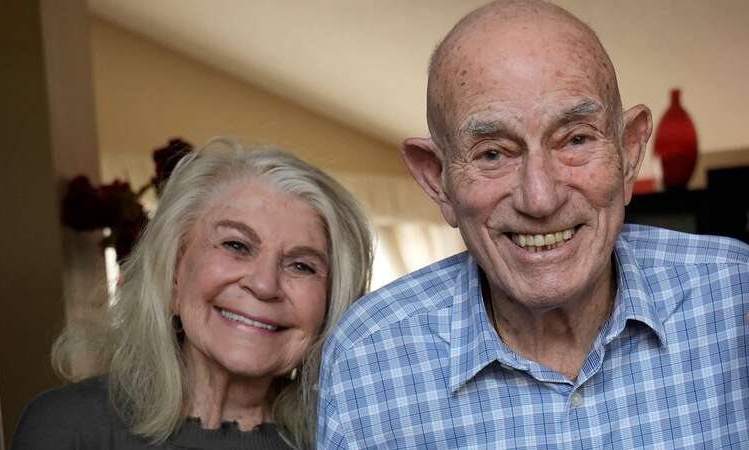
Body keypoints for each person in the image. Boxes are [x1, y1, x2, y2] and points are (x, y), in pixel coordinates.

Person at [318, 1, 749, 448]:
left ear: (628, 153)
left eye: (576, 139)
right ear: (437, 180)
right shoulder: (369, 360)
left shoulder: (735, 294)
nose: (540, 199)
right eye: (492, 153)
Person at [12, 138, 373, 450]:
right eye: (236, 245)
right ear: (172, 274)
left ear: (330, 307)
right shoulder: (68, 427)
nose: (264, 285)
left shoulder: (352, 440)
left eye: (301, 266)